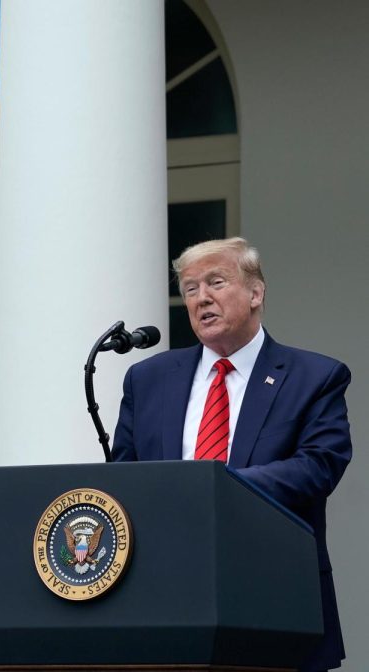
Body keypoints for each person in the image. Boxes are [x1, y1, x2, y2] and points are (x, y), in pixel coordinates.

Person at [111, 237, 351, 672]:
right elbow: (123, 478)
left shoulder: (315, 376)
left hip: (272, 599)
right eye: (189, 289)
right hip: (163, 597)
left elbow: (319, 466)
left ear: (256, 293)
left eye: (216, 282)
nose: (202, 298)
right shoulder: (148, 380)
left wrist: (216, 486)